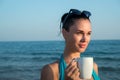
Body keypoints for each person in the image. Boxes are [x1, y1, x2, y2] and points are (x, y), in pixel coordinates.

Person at [40, 9, 100, 80]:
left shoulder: (93, 67)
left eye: (88, 33)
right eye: (79, 33)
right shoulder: (51, 70)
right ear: (65, 33)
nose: (85, 39)